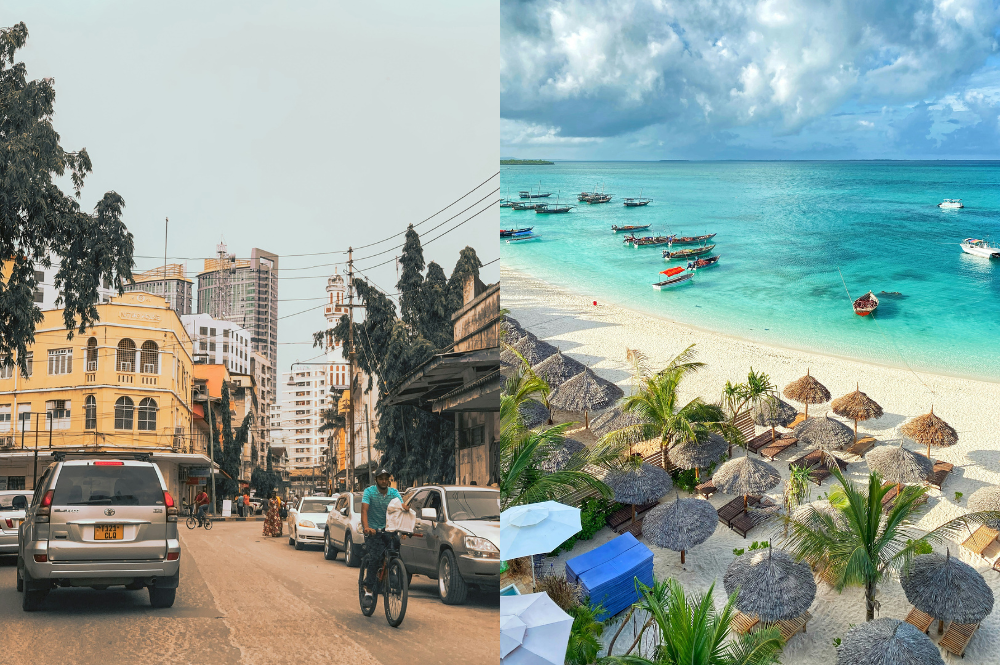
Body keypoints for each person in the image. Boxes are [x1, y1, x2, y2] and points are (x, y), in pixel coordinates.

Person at [360, 468, 411, 601]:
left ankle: (391, 570)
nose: (383, 481)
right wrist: (367, 528)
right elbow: (364, 511)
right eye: (381, 478)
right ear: (376, 479)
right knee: (375, 557)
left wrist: (404, 524)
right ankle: (369, 590)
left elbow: (401, 508)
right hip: (373, 531)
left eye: (386, 478)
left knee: (395, 551)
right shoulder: (369, 492)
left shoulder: (394, 492)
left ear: (389, 480)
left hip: (389, 530)